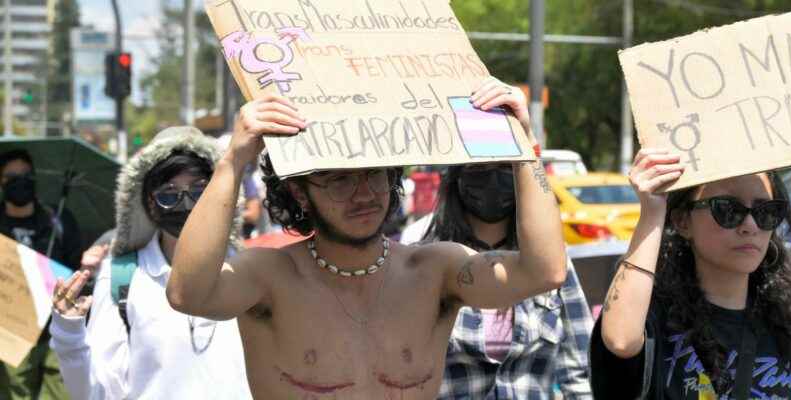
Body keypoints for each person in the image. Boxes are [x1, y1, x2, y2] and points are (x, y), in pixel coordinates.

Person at [166, 78, 567, 399]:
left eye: (374, 174)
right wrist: (234, 160)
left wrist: (523, 149)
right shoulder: (269, 278)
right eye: (340, 180)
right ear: (301, 192)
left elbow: (544, 271)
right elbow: (189, 294)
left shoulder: (434, 272)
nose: (364, 194)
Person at [590, 149, 791, 399]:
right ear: (683, 221)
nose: (750, 225)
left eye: (766, 212)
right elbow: (621, 342)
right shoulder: (654, 320)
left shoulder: (789, 325)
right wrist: (652, 211)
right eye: (728, 209)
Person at [47, 127, 252, 399]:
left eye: (200, 190)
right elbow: (96, 392)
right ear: (148, 203)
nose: (186, 203)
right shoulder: (123, 276)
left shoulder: (249, 271)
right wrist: (68, 334)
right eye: (169, 194)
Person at [416, 164, 593, 399]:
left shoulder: (552, 263)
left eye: (504, 167)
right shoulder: (425, 263)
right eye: (482, 167)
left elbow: (578, 371)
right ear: (456, 176)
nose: (493, 179)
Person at [0, 149, 82, 400]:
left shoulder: (58, 220)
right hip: (11, 332)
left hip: (56, 332)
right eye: (12, 176)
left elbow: (77, 269)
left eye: (26, 175)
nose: (20, 181)